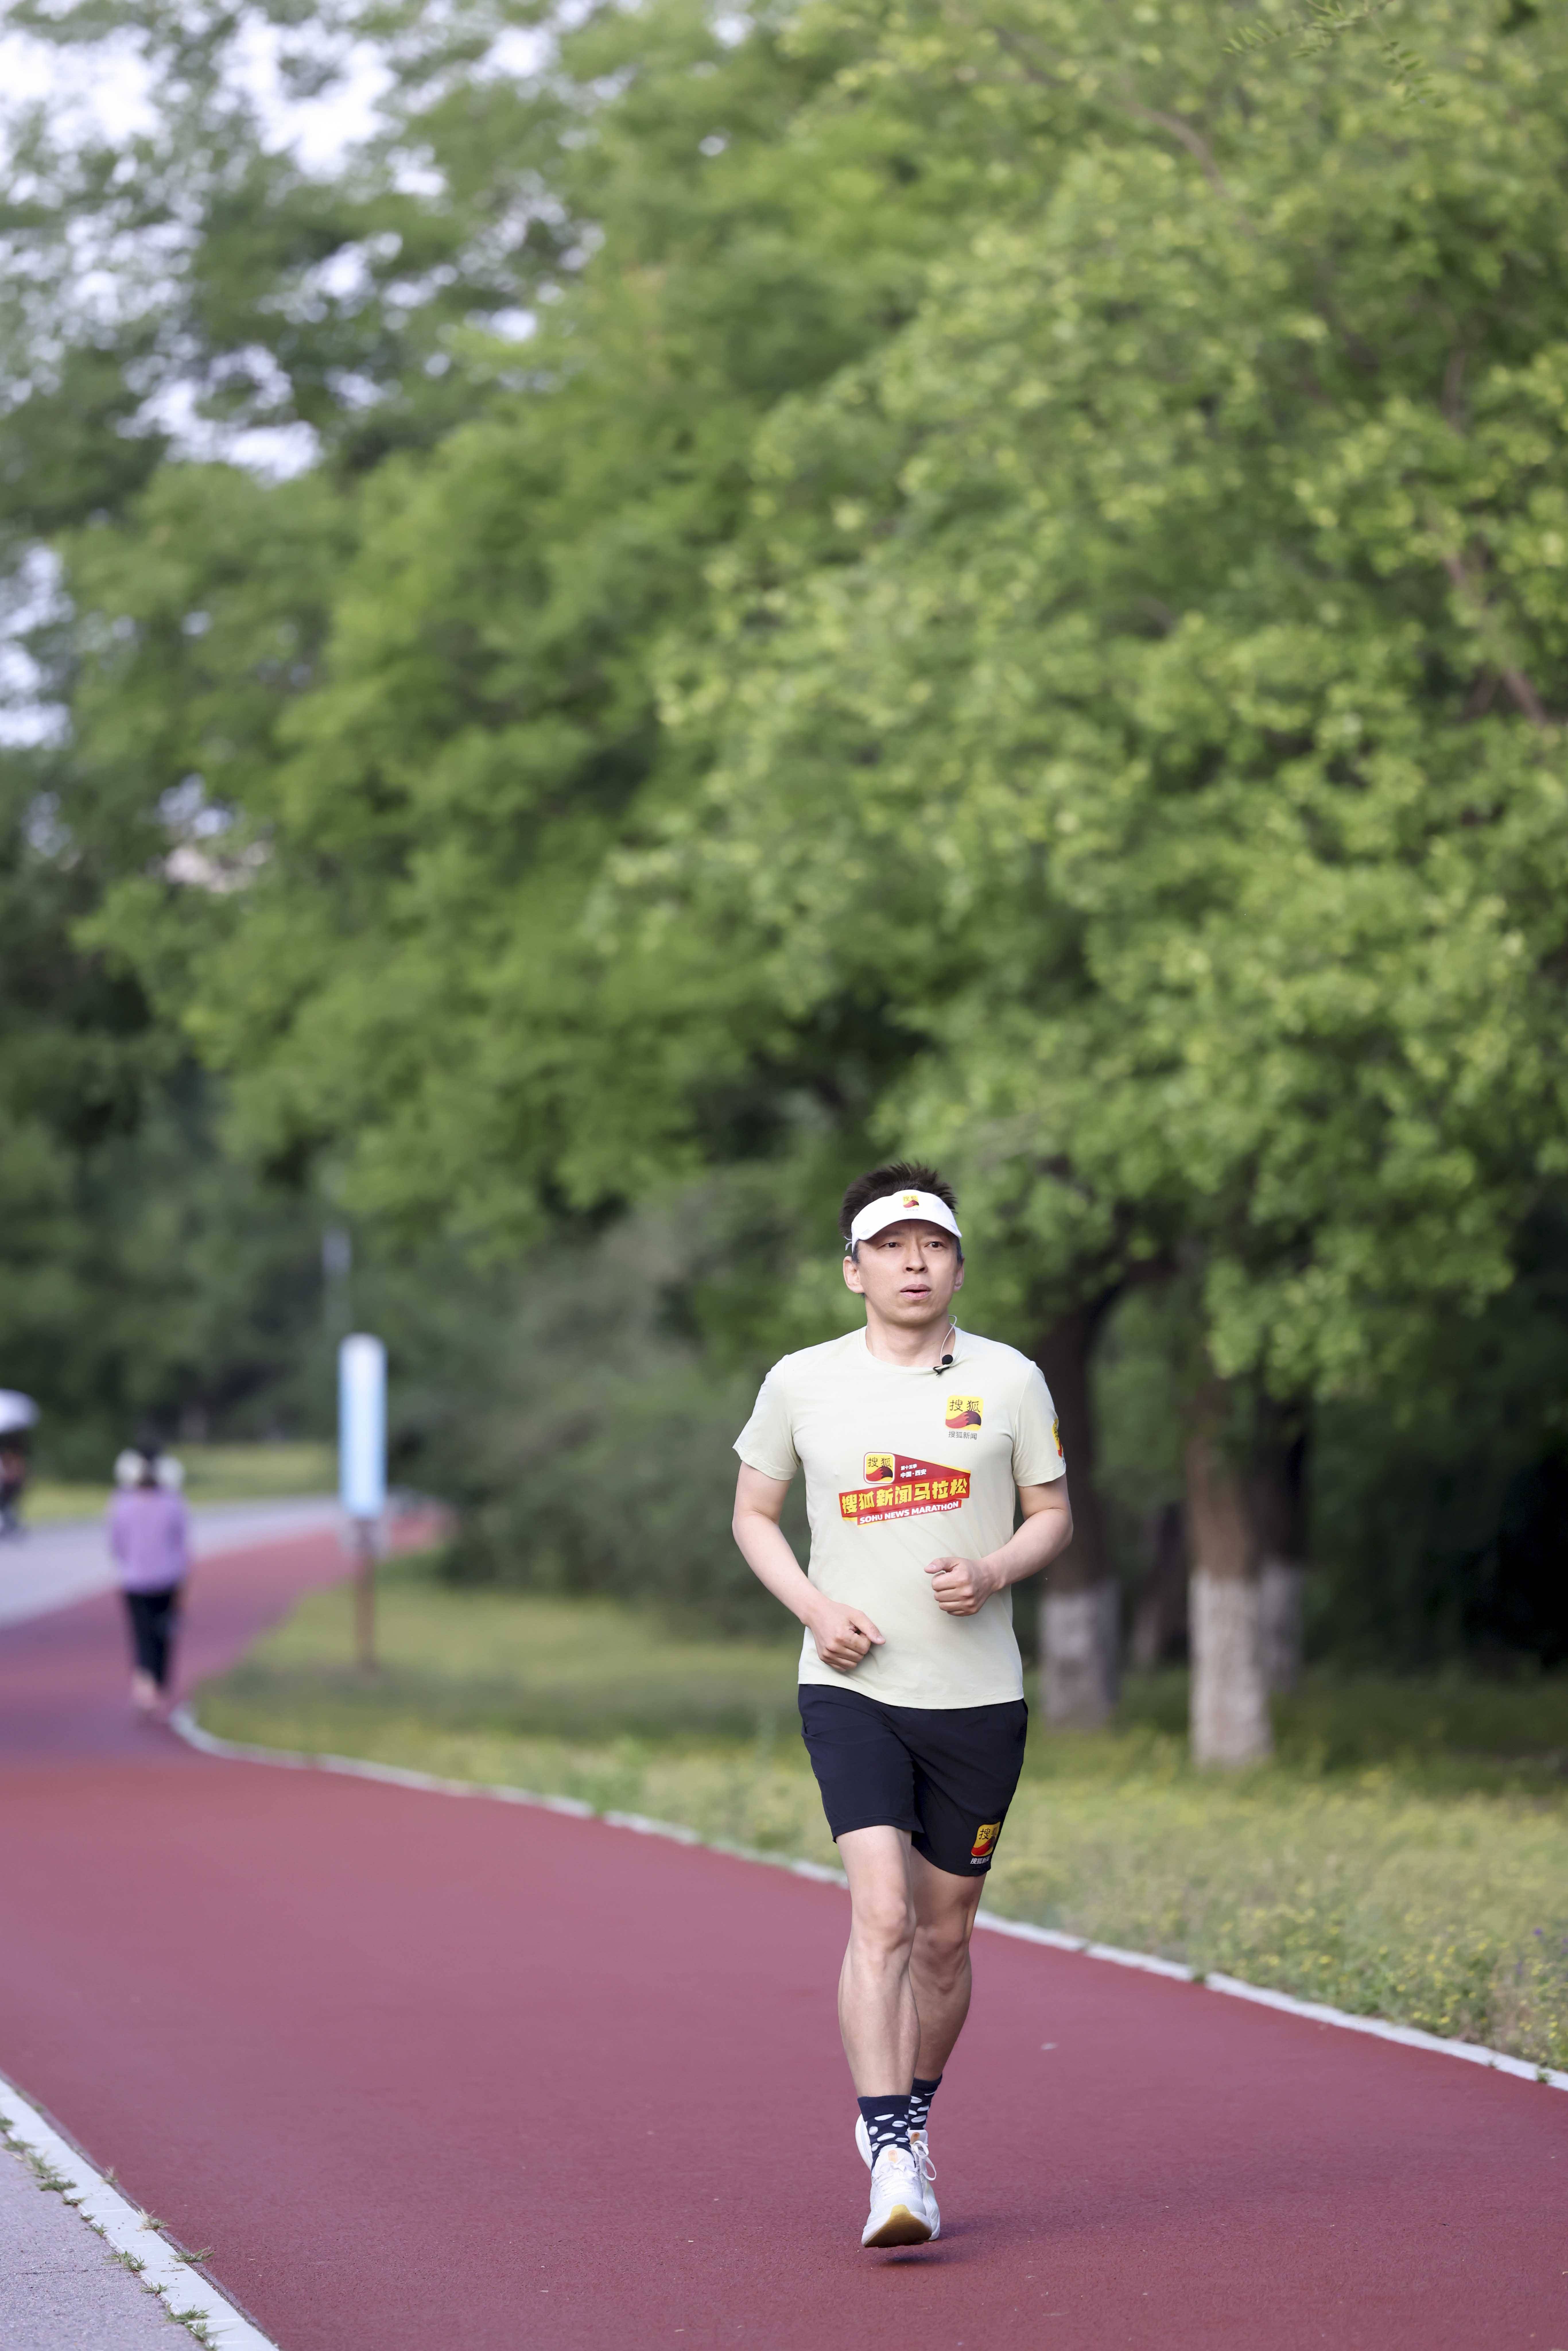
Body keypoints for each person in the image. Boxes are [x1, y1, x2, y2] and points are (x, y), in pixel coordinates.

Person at [731, 1161, 1075, 2250]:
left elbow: (1051, 1512)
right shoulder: (800, 1381)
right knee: (877, 1911)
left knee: (944, 1932)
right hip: (850, 1685)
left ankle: (912, 2112)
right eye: (889, 1244)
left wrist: (996, 1570)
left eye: (932, 1244)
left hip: (977, 1694)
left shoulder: (1010, 1378)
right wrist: (812, 1606)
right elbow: (751, 1513)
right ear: (853, 1268)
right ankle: (888, 2148)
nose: (913, 1261)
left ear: (958, 1264)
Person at [107, 1450, 191, 1719]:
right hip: (168, 1579)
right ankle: (159, 1686)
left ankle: (145, 1687)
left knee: (142, 1634)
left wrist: (129, 1562)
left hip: (135, 1581)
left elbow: (116, 1542)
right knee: (163, 1634)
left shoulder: (122, 1503)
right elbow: (182, 1544)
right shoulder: (173, 1502)